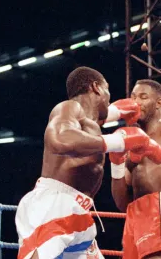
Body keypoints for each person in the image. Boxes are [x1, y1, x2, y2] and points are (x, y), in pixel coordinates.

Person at [15, 66, 149, 259]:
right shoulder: (69, 107)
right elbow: (60, 138)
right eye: (107, 89)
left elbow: (100, 116)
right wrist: (118, 141)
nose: (110, 96)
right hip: (55, 204)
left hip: (80, 211)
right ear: (96, 88)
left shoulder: (90, 123)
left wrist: (123, 111)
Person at [110, 79, 161, 259]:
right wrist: (116, 163)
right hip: (136, 215)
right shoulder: (129, 141)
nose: (136, 102)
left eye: (143, 97)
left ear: (158, 103)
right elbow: (122, 203)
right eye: (133, 97)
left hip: (157, 207)